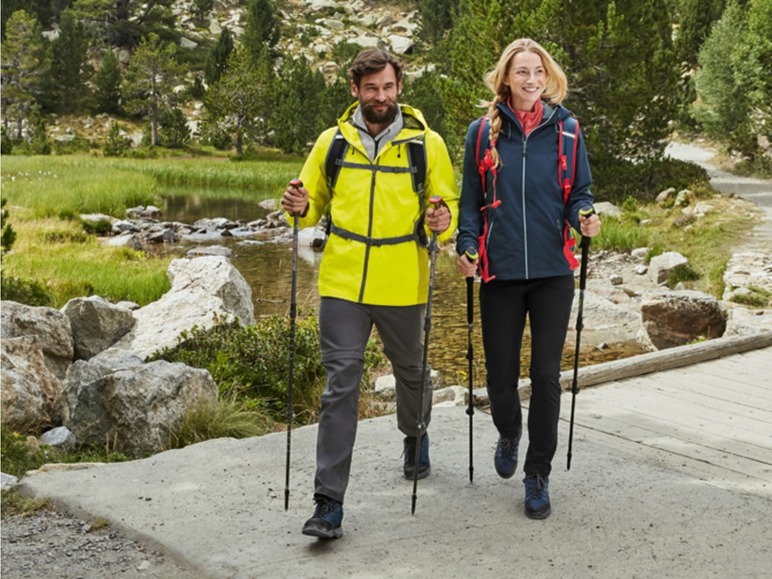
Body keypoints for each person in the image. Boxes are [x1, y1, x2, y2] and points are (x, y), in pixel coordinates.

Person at [282, 49, 459, 539]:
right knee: (341, 385)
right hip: (342, 281)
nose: (380, 97)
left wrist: (443, 220)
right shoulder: (331, 143)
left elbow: (447, 202)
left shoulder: (426, 144)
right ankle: (328, 503)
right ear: (355, 90)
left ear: (399, 86)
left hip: (403, 278)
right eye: (370, 89)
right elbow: (310, 203)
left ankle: (416, 433)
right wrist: (297, 205)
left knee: (412, 371)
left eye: (387, 87)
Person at [455, 38, 601, 520]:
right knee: (500, 378)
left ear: (547, 75)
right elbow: (471, 203)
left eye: (537, 70)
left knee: (545, 376)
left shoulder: (568, 130)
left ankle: (537, 472)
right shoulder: (482, 133)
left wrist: (585, 215)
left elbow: (580, 191)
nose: (531, 79)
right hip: (500, 272)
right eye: (522, 71)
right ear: (506, 78)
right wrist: (465, 246)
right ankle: (509, 431)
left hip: (553, 272)